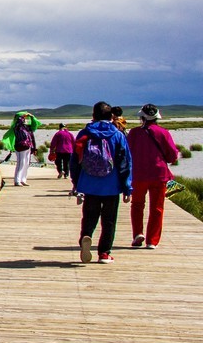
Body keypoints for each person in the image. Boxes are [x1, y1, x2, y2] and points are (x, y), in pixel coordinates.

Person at [74, 101, 132, 264]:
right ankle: (104, 253)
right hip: (112, 186)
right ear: (111, 116)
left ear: (93, 116)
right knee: (109, 220)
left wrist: (76, 184)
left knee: (89, 216)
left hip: (89, 185)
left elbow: (75, 161)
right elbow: (125, 163)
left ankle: (86, 237)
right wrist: (127, 187)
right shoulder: (118, 135)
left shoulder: (84, 134)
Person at [127, 103, 178, 249]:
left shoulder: (134, 133)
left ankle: (137, 233)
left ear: (142, 117)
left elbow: (127, 153)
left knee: (137, 205)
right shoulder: (163, 132)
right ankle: (152, 241)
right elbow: (173, 155)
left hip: (138, 175)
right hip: (159, 175)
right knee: (157, 208)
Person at [2, 111, 41, 186]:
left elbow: (35, 124)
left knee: (26, 163)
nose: (25, 119)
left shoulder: (27, 128)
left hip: (28, 147)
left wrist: (32, 117)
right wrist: (23, 115)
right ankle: (17, 180)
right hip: (20, 147)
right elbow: (18, 120)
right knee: (21, 163)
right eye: (24, 118)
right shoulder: (17, 127)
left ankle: (23, 179)